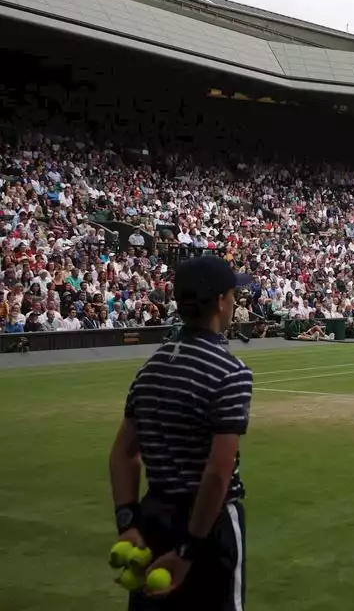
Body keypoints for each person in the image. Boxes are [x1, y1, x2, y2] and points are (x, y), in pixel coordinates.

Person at [108, 255, 252, 610]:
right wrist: (188, 548)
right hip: (208, 525)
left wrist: (127, 521)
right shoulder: (230, 372)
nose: (235, 303)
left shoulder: (151, 366)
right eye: (234, 295)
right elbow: (217, 476)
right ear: (220, 301)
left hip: (153, 516)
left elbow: (123, 454)